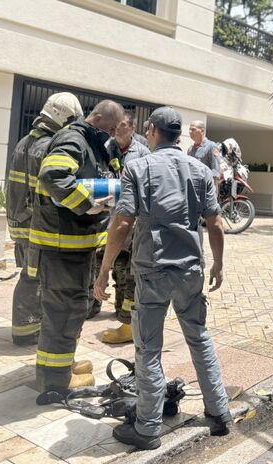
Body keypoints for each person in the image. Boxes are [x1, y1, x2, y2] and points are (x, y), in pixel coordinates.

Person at [94, 107, 231, 450]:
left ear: (152, 131)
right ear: (179, 135)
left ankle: (147, 428)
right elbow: (215, 222)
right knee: (199, 338)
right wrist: (218, 265)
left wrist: (105, 268)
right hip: (190, 271)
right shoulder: (199, 169)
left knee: (149, 350)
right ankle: (219, 414)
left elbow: (123, 223)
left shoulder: (137, 167)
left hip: (153, 270)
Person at [30, 100, 124, 395]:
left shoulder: (92, 142)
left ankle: (61, 365)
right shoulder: (74, 139)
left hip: (74, 246)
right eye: (109, 128)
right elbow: (53, 176)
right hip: (62, 246)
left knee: (69, 310)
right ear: (97, 119)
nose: (110, 134)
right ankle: (56, 381)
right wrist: (86, 205)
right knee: (64, 311)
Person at [6, 92, 84, 346]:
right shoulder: (48, 146)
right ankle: (27, 330)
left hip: (20, 221)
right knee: (36, 277)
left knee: (31, 274)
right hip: (37, 225)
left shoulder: (24, 142)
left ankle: (24, 326)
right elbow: (53, 188)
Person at [100, 110, 152, 344]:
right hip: (106, 216)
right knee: (115, 267)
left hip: (130, 221)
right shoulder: (105, 147)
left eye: (122, 126)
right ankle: (118, 310)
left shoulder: (142, 153)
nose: (117, 130)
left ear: (132, 129)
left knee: (129, 270)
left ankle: (128, 322)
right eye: (115, 126)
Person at [187, 120, 221, 189]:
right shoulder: (190, 149)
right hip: (192, 189)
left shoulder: (211, 146)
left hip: (205, 189)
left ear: (202, 131)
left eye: (193, 129)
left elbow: (215, 172)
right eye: (189, 130)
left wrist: (213, 193)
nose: (190, 132)